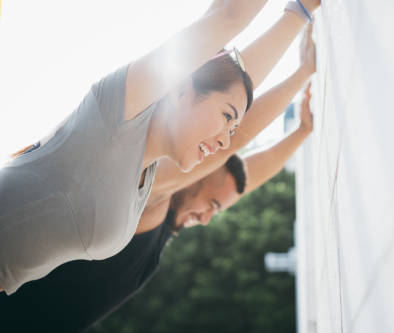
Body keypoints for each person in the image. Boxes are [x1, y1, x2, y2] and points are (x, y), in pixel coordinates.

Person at [0, 84, 314, 333]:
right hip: (8, 321)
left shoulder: (167, 229)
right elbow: (238, 137)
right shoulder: (150, 200)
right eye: (212, 204)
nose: (207, 218)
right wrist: (303, 72)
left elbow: (247, 179)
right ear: (196, 173)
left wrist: (302, 130)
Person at [0, 0, 320, 295]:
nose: (226, 138)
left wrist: (298, 19)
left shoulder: (144, 178)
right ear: (182, 90)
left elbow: (232, 94)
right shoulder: (112, 118)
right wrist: (301, 11)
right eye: (225, 118)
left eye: (231, 126)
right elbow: (226, 19)